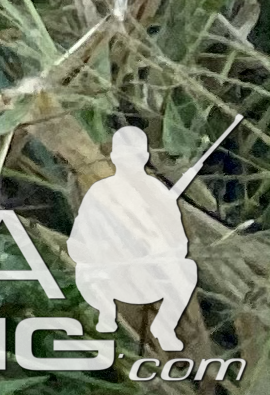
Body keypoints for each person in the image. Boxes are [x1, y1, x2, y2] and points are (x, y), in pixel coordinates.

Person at [69, 126, 200, 351]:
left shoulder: (156, 189)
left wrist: (157, 247)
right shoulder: (96, 191)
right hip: (115, 275)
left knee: (187, 271)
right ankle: (114, 324)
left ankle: (166, 328)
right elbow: (78, 243)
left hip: (156, 272)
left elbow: (182, 238)